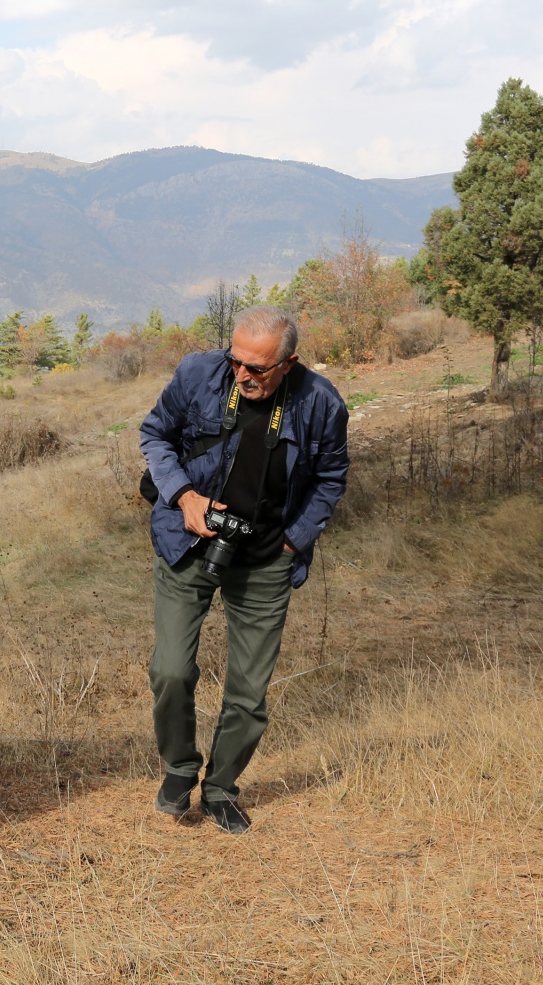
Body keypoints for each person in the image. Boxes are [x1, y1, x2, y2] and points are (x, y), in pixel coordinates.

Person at [138, 306, 348, 833]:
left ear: (288, 363)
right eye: (236, 361)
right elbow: (155, 435)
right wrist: (184, 497)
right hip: (188, 541)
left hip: (266, 557)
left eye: (257, 367)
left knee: (249, 693)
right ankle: (179, 769)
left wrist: (293, 542)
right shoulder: (198, 374)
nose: (242, 374)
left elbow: (330, 478)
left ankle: (220, 790)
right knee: (170, 670)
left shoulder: (320, 402)